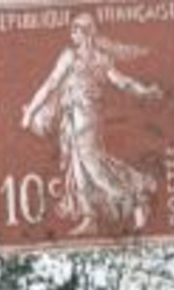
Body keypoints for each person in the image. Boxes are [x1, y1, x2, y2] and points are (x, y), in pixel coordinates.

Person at [20, 12, 162, 236]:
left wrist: (144, 91)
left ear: (87, 33)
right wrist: (31, 112)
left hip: (89, 117)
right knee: (78, 170)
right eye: (72, 30)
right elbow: (50, 84)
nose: (72, 34)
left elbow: (121, 81)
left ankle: (135, 200)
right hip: (71, 119)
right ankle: (90, 218)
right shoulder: (69, 56)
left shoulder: (100, 59)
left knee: (93, 164)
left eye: (76, 30)